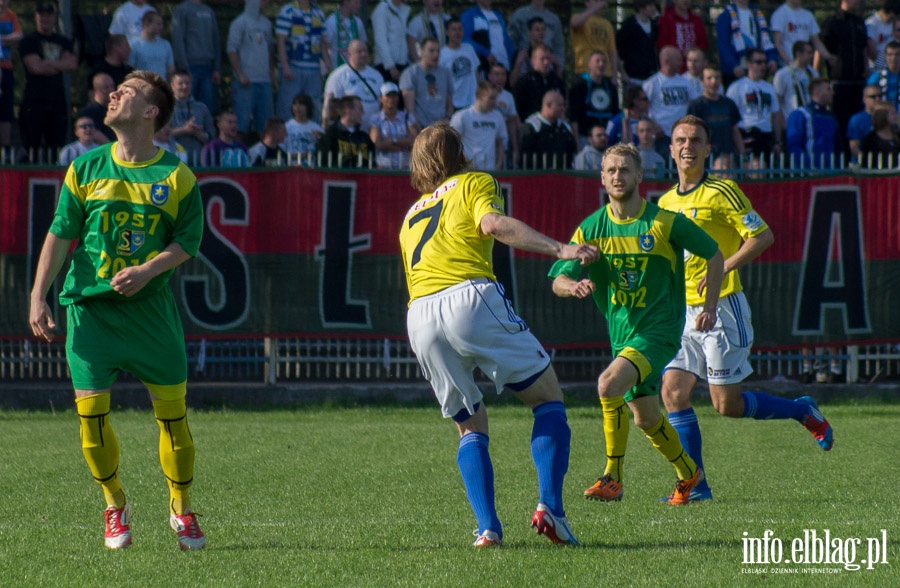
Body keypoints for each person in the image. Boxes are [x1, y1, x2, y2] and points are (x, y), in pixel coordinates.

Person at [29, 69, 206, 551]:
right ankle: (114, 504)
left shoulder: (176, 175)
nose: (112, 95)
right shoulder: (84, 169)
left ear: (151, 112)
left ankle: (181, 509)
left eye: (125, 92)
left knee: (174, 421)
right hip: (90, 313)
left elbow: (187, 242)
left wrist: (148, 270)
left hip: (151, 314)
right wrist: (38, 293)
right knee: (91, 421)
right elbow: (60, 233)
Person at [400, 121, 597, 547]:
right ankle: (551, 509)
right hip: (466, 297)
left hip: (419, 315)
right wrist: (561, 249)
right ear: (459, 154)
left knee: (469, 426)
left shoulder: (411, 214)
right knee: (547, 398)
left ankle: (488, 528)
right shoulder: (473, 183)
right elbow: (491, 225)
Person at [658, 115, 833, 504]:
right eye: (680, 140)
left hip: (722, 306)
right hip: (682, 313)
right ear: (670, 149)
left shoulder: (724, 191)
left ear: (707, 150)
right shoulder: (665, 202)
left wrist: (722, 269)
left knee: (727, 405)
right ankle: (695, 485)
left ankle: (801, 410)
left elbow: (762, 236)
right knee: (672, 391)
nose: (687, 146)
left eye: (696, 140)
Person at [549, 141, 724, 506]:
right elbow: (557, 280)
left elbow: (714, 254)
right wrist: (574, 285)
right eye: (611, 170)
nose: (617, 176)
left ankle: (613, 477)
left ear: (639, 176)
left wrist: (709, 306)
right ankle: (689, 473)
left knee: (607, 383)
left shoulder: (663, 222)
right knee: (645, 418)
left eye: (624, 170)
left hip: (659, 332)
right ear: (601, 177)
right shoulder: (592, 228)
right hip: (623, 337)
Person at [18, 1, 77, 157]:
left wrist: (46, 63)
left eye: (48, 14)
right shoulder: (29, 40)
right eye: (41, 14)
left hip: (57, 99)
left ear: (54, 16)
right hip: (34, 99)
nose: (45, 18)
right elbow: (35, 67)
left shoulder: (63, 41)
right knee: (32, 145)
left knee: (57, 143)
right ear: (36, 16)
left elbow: (71, 64)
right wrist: (59, 64)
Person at [820, 0, 870, 154]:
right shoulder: (832, 22)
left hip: (858, 82)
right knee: (841, 123)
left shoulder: (860, 22)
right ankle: (842, 159)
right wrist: (817, 73)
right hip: (840, 82)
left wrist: (866, 67)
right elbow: (821, 48)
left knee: (857, 123)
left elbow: (863, 49)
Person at [726, 48, 784, 168]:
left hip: (767, 135)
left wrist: (777, 142)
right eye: (758, 62)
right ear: (748, 64)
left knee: (768, 169)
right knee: (756, 168)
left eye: (765, 62)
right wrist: (739, 146)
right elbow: (731, 119)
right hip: (747, 133)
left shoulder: (769, 88)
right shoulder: (736, 87)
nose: (763, 65)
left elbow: (775, 115)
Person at [227, 0, 276, 141]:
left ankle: (262, 159)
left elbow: (270, 50)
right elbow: (231, 49)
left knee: (266, 127)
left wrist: (272, 73)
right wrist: (240, 74)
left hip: (264, 81)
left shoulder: (266, 23)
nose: (267, 2)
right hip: (246, 82)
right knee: (240, 126)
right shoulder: (239, 22)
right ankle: (238, 158)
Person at [275, 0, 329, 121]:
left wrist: (328, 64)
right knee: (288, 106)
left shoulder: (318, 12)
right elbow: (280, 40)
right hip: (293, 67)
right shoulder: (288, 11)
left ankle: (314, 135)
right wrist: (284, 67)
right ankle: (286, 135)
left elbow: (322, 42)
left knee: (314, 105)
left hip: (314, 67)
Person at [643, 46, 700, 152]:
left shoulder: (685, 82)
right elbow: (642, 109)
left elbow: (697, 103)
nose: (681, 63)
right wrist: (653, 126)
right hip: (662, 135)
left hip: (684, 135)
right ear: (666, 60)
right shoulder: (651, 84)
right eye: (678, 60)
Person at [687, 67, 744, 170]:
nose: (714, 81)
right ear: (702, 82)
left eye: (717, 77)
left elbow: (735, 130)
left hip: (727, 155)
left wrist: (742, 153)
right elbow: (691, 133)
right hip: (705, 157)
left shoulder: (729, 103)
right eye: (709, 78)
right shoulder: (696, 105)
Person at [172, 0, 221, 116]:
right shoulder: (182, 9)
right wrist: (184, 69)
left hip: (208, 67)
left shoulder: (209, 11)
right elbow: (178, 40)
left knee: (208, 108)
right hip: (190, 66)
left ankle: (206, 133)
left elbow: (216, 39)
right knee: (187, 108)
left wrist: (217, 68)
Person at [715, 0, 780, 89]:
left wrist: (772, 58)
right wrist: (733, 66)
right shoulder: (725, 16)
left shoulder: (757, 14)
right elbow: (723, 44)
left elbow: (767, 39)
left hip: (757, 69)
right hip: (736, 70)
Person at [322, 40, 384, 130]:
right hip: (349, 130)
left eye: (365, 51)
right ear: (349, 54)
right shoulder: (338, 76)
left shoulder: (377, 75)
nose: (363, 54)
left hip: (373, 128)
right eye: (359, 52)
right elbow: (330, 104)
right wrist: (326, 124)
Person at [450, 79, 507, 170]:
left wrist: (499, 164)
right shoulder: (462, 116)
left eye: (495, 98)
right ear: (480, 96)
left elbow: (500, 143)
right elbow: (453, 144)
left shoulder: (497, 117)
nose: (494, 102)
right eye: (491, 98)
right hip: (468, 169)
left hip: (489, 169)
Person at [786, 78, 842, 168]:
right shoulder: (800, 114)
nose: (832, 93)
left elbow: (837, 146)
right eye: (828, 89)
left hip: (830, 173)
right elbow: (794, 146)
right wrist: (807, 168)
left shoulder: (831, 117)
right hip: (808, 174)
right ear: (817, 92)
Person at [399, 37, 453, 128]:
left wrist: (448, 119)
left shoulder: (446, 72)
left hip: (442, 126)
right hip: (422, 127)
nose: (435, 54)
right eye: (431, 51)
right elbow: (409, 108)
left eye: (438, 51)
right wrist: (419, 129)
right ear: (422, 52)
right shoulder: (410, 73)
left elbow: (450, 102)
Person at [569, 50, 619, 143]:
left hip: (607, 137)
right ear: (589, 64)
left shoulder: (611, 87)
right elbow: (574, 116)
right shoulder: (579, 85)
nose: (601, 64)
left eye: (604, 61)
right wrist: (576, 140)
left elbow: (615, 113)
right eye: (597, 61)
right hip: (585, 136)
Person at [770, 0, 836, 69]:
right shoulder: (780, 14)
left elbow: (816, 41)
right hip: (786, 66)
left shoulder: (808, 15)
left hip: (805, 66)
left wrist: (829, 57)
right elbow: (777, 43)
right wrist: (791, 63)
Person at [520, 89, 577, 169]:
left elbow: (571, 151)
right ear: (548, 105)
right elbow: (525, 157)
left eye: (563, 105)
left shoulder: (565, 127)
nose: (563, 109)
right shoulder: (532, 126)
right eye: (559, 105)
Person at [317, 94, 375, 168]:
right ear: (348, 110)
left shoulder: (364, 138)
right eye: (360, 109)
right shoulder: (330, 136)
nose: (363, 112)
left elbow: (371, 163)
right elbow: (322, 162)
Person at [369, 81, 418, 170]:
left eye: (394, 96)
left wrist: (392, 141)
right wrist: (402, 144)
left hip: (405, 167)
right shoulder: (375, 119)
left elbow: (414, 141)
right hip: (383, 167)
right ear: (381, 98)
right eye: (388, 96)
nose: (391, 99)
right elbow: (378, 143)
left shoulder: (407, 117)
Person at [512, 44, 567, 121]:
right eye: (542, 59)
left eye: (548, 58)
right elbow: (517, 108)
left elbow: (563, 105)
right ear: (533, 60)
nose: (546, 62)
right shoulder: (524, 82)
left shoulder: (556, 81)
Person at [461, 0, 515, 77]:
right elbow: (465, 39)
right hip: (485, 67)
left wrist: (511, 57)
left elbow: (506, 39)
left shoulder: (498, 15)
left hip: (504, 66)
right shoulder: (469, 15)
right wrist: (486, 53)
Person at [169, 69, 215, 159]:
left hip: (198, 161)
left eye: (187, 83)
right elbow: (158, 136)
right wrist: (184, 130)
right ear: (172, 86)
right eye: (180, 83)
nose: (184, 86)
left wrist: (198, 133)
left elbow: (211, 136)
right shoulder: (165, 107)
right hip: (173, 160)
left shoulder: (202, 108)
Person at [570, 0, 621, 78]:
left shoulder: (607, 24)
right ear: (587, 2)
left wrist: (614, 75)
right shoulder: (577, 17)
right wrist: (595, 8)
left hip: (605, 72)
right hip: (585, 70)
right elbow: (575, 23)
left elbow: (612, 51)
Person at [772, 40, 818, 123]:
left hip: (811, 119)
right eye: (809, 53)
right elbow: (777, 101)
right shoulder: (783, 74)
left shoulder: (813, 73)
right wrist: (781, 121)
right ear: (798, 54)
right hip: (792, 119)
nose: (812, 56)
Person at [508, 0, 565, 68]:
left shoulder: (554, 19)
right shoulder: (519, 15)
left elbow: (558, 47)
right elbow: (510, 42)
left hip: (547, 66)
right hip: (524, 65)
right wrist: (513, 64)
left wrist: (559, 67)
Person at [439, 19, 480, 112]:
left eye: (460, 29)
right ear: (447, 32)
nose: (457, 32)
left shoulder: (469, 48)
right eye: (454, 29)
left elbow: (476, 72)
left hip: (473, 101)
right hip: (455, 102)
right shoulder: (442, 54)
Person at [510, 17, 563, 87]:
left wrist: (557, 66)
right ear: (530, 32)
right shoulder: (521, 54)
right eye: (537, 30)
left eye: (543, 30)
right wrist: (518, 64)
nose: (541, 33)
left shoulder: (550, 53)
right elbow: (512, 83)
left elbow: (559, 83)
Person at [616, 0, 659, 86]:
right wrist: (623, 73)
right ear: (641, 7)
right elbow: (617, 51)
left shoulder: (654, 25)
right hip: (633, 76)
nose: (653, 8)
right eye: (650, 5)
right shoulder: (628, 25)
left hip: (652, 76)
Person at [657, 0, 708, 69]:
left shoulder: (696, 20)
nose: (685, 1)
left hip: (694, 68)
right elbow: (661, 44)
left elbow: (704, 44)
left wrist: (692, 52)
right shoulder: (666, 19)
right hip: (673, 67)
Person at [0, 0, 23, 149]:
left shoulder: (10, 15)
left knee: (6, 111)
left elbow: (19, 35)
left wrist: (1, 40)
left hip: (6, 68)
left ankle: (5, 148)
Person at [488, 63, 521, 167]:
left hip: (503, 144)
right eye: (496, 74)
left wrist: (515, 148)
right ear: (489, 76)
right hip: (487, 143)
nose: (500, 78)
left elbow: (512, 123)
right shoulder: (481, 95)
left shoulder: (508, 97)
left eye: (503, 74)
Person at [371, 0, 410, 84]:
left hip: (402, 64)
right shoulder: (381, 11)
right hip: (386, 68)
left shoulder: (403, 9)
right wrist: (390, 66)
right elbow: (380, 41)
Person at [129, 11, 174, 81]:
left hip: (161, 87)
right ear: (146, 24)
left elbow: (170, 70)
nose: (161, 27)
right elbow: (130, 70)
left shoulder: (165, 45)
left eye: (162, 24)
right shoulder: (134, 45)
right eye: (158, 24)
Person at [324, 0, 368, 70]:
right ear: (346, 2)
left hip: (357, 70)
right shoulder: (332, 21)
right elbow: (325, 46)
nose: (359, 6)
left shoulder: (358, 22)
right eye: (356, 3)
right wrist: (328, 65)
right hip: (337, 70)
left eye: (359, 3)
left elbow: (363, 45)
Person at [283, 92, 323, 165]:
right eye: (295, 104)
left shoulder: (316, 128)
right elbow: (281, 152)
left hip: (311, 169)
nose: (297, 107)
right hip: (291, 168)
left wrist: (321, 138)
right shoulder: (286, 127)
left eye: (301, 104)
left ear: (308, 107)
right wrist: (300, 156)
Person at [80, 72, 117, 144]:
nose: (111, 90)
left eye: (112, 86)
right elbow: (95, 134)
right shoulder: (89, 112)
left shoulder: (115, 108)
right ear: (96, 89)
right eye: (106, 87)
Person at [847, 84, 882, 160]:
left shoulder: (886, 118)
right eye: (873, 97)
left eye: (880, 96)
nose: (877, 99)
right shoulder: (856, 119)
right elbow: (854, 146)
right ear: (864, 99)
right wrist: (865, 161)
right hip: (862, 165)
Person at [860, 100, 900, 165]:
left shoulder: (898, 135)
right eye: (892, 113)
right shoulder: (870, 139)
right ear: (882, 115)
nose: (895, 116)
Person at [867, 0, 900, 69]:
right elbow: (872, 52)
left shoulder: (892, 23)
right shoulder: (871, 24)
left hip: (893, 68)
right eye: (891, 17)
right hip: (877, 68)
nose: (891, 19)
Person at [867, 40, 900, 107]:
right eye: (890, 55)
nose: (893, 58)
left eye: (897, 54)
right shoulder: (875, 77)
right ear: (885, 56)